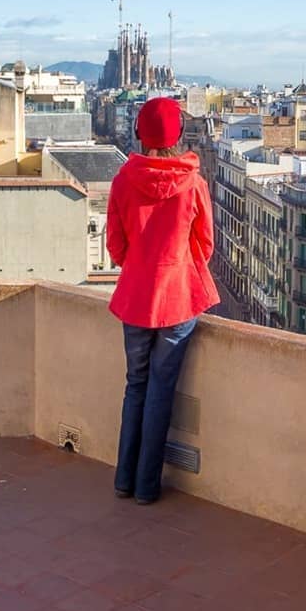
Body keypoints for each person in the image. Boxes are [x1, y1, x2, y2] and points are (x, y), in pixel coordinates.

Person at [105, 96, 220, 504]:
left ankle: (124, 479)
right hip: (176, 300)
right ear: (178, 136)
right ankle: (146, 488)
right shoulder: (193, 184)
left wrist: (140, 263)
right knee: (160, 390)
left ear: (139, 133)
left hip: (135, 299)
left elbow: (116, 248)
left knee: (135, 385)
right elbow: (204, 247)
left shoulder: (122, 181)